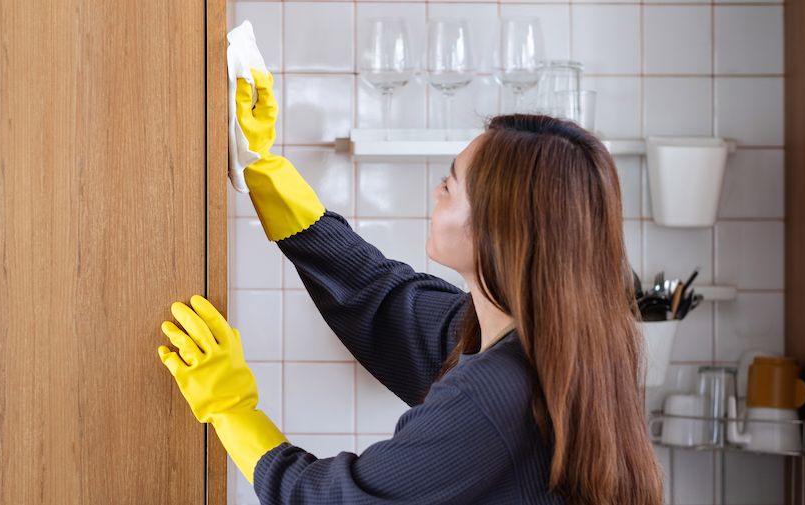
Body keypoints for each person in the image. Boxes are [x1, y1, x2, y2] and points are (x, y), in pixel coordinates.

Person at [157, 68, 663, 505]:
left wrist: (231, 408)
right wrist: (263, 167)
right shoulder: (537, 342)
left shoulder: (495, 393)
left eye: (450, 184)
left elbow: (335, 501)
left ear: (499, 230)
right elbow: (379, 296)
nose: (436, 191)